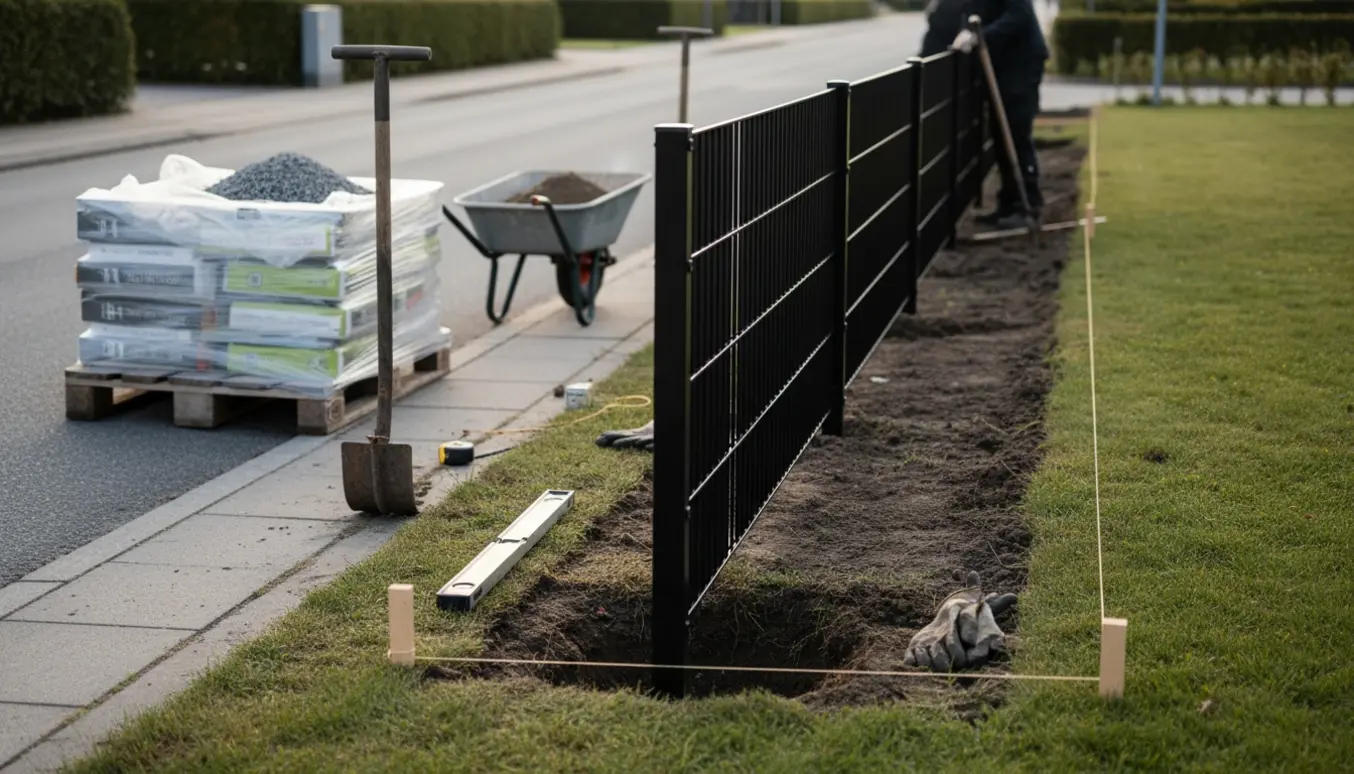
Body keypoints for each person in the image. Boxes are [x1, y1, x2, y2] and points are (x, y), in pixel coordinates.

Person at [950, 0, 1049, 230]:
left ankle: (1029, 203)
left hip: (1022, 64)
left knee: (1016, 130)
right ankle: (1009, 203)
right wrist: (965, 30)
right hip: (1001, 66)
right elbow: (971, 10)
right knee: (1000, 133)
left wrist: (981, 36)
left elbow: (1020, 15)